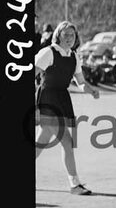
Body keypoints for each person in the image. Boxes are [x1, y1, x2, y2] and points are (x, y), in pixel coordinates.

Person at [34, 21, 101, 195]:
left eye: (72, 35)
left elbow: (81, 83)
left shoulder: (74, 57)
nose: (70, 38)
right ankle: (74, 184)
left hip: (62, 99)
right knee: (67, 141)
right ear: (58, 35)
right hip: (47, 99)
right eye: (66, 34)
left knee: (41, 142)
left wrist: (91, 90)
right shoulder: (48, 52)